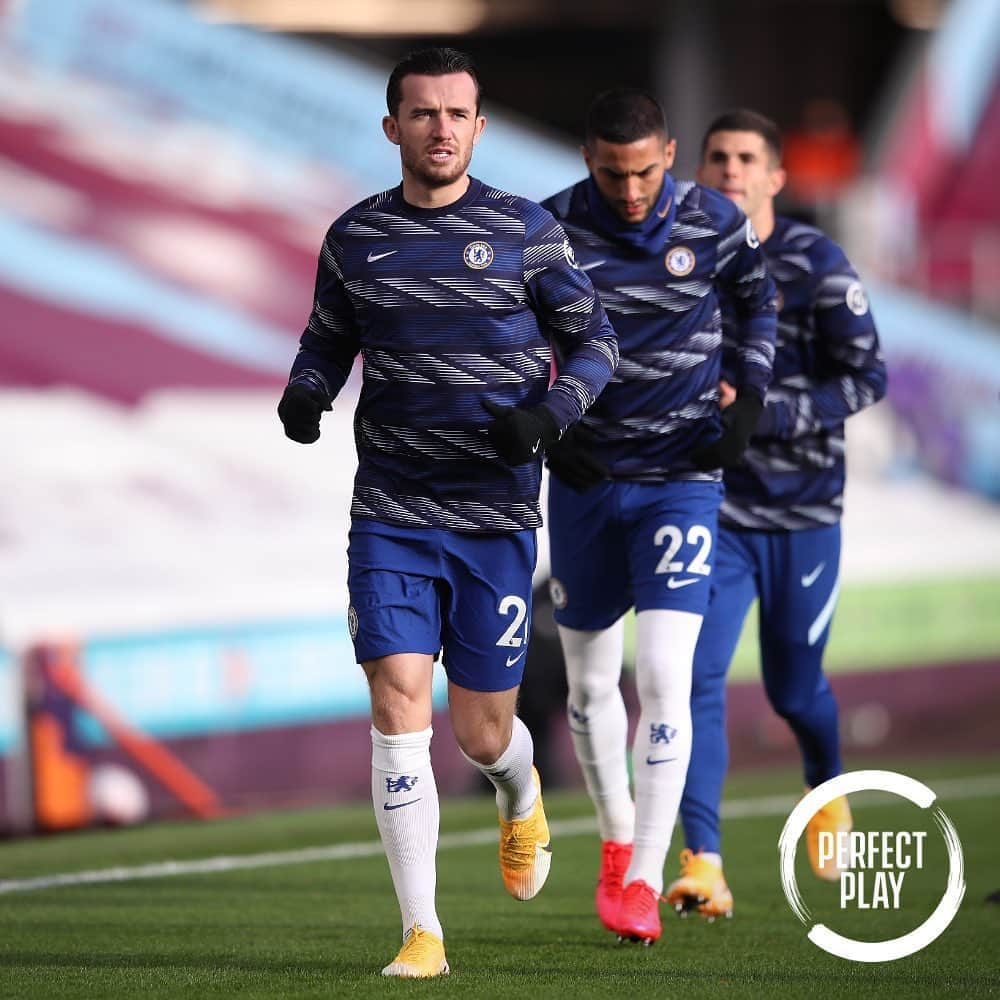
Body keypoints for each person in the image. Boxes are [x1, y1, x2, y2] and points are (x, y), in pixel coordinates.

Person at [277, 47, 618, 978]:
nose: (439, 127)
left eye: (455, 113)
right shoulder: (354, 238)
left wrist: (551, 414)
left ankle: (519, 790)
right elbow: (327, 338)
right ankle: (422, 932)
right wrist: (306, 391)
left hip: (495, 516)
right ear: (392, 127)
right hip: (390, 509)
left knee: (481, 734)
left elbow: (595, 342)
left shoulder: (525, 230)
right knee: (397, 707)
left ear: (478, 126)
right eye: (421, 113)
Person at [540, 89, 776, 945]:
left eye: (643, 171)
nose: (630, 190)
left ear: (669, 155)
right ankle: (613, 840)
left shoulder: (716, 221)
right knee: (591, 685)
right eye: (612, 173)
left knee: (664, 679)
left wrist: (748, 399)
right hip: (587, 482)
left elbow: (757, 303)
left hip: (680, 480)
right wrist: (548, 429)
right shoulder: (551, 229)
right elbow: (511, 334)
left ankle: (643, 875)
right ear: (587, 159)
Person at [666, 109, 887, 919]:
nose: (729, 169)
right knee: (691, 679)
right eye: (716, 156)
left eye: (746, 158)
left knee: (796, 694)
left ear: (775, 177)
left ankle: (828, 792)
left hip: (802, 516)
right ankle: (704, 863)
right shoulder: (674, 256)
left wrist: (769, 412)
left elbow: (867, 378)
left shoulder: (816, 261)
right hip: (707, 507)